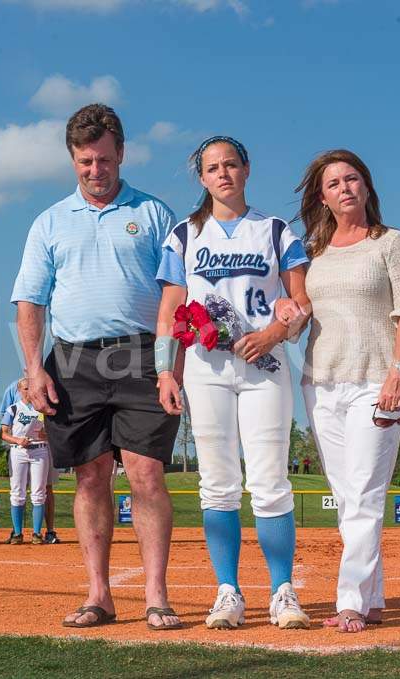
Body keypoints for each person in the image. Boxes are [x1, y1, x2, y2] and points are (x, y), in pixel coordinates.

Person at [12, 103, 182, 630]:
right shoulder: (49, 222)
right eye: (84, 162)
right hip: (71, 361)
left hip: (140, 357)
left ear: (121, 154)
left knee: (146, 474)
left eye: (103, 160)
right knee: (89, 477)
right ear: (72, 160)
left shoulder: (155, 214)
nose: (94, 171)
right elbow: (29, 301)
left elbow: (175, 291)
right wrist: (34, 369)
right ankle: (99, 595)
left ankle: (156, 595)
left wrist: (165, 364)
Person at [156, 135, 312, 630]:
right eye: (212, 168)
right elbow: (170, 310)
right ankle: (228, 591)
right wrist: (166, 369)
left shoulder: (276, 231)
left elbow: (300, 306)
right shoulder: (184, 235)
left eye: (230, 165)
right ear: (201, 178)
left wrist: (274, 332)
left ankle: (282, 591)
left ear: (247, 169)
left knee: (269, 482)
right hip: (206, 369)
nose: (222, 174)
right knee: (217, 485)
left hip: (264, 367)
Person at [293, 149, 400, 632]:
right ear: (323, 197)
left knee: (366, 494)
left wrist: (398, 372)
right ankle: (374, 600)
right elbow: (300, 312)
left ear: (367, 187)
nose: (345, 188)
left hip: (377, 381)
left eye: (352, 179)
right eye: (334, 184)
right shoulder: (312, 253)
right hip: (320, 384)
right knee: (348, 498)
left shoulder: (392, 243)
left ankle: (349, 601)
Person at [0, 378, 61, 544]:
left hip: (39, 450)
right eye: (25, 389)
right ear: (19, 390)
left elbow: (55, 431)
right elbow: (3, 433)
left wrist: (46, 435)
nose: (28, 392)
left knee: (39, 493)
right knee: (17, 493)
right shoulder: (13, 409)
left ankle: (36, 533)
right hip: (19, 451)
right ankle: (18, 533)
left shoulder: (42, 409)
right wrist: (17, 440)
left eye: (30, 388)